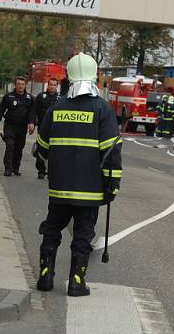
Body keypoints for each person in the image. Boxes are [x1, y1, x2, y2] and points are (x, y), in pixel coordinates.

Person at [34, 53, 122, 297]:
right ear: (94, 76)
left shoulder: (57, 107)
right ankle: (76, 282)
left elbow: (41, 148)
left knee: (52, 229)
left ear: (68, 77)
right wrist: (112, 185)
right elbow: (111, 153)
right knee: (83, 235)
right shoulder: (102, 110)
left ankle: (45, 277)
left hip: (59, 187)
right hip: (90, 190)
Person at [0, 77, 34, 177]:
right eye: (18, 84)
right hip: (10, 126)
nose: (20, 86)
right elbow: (1, 110)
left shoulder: (30, 98)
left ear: (25, 86)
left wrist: (31, 123)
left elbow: (32, 113)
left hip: (22, 127)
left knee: (19, 147)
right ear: (15, 85)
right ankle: (8, 168)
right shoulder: (8, 97)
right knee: (10, 146)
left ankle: (15, 168)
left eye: (22, 84)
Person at [30, 77, 61, 179]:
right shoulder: (41, 97)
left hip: (56, 129)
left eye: (54, 85)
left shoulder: (60, 99)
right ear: (48, 85)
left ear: (57, 86)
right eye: (50, 84)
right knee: (41, 149)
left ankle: (51, 171)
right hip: (43, 128)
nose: (52, 86)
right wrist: (32, 123)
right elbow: (33, 111)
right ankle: (41, 170)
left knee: (54, 151)